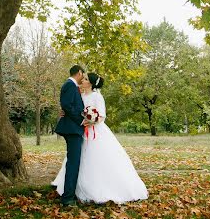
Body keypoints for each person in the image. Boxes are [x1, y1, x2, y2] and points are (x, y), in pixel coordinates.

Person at [53, 72, 148, 205]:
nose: (83, 81)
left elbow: (102, 116)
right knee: (77, 159)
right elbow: (73, 109)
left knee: (97, 159)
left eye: (85, 79)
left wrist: (92, 120)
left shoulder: (97, 97)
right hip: (81, 132)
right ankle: (73, 189)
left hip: (95, 133)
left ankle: (99, 189)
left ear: (91, 83)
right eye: (83, 78)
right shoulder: (80, 95)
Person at [54, 64, 86, 206]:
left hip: (73, 129)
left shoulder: (72, 86)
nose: (83, 78)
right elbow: (66, 105)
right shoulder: (69, 85)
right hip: (72, 129)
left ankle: (69, 194)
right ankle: (67, 198)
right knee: (73, 163)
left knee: (73, 162)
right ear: (79, 72)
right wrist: (81, 120)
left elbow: (68, 106)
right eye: (83, 75)